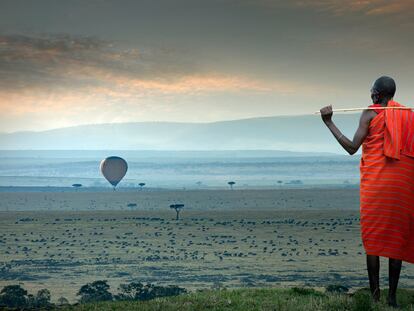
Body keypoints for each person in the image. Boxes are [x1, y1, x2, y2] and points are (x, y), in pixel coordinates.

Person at [320, 76, 414, 308]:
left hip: (376, 187)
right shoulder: (406, 115)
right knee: (395, 240)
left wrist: (329, 122)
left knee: (373, 240)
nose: (370, 94)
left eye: (372, 91)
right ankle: (392, 298)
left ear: (377, 94)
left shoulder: (370, 113)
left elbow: (352, 148)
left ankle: (375, 298)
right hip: (400, 186)